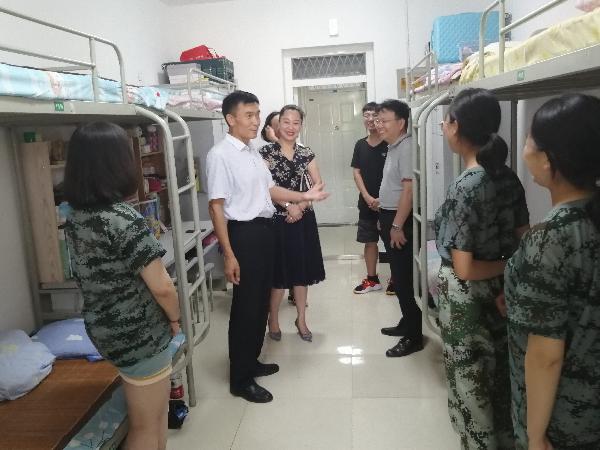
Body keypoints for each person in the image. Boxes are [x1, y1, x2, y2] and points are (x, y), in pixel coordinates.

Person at [63, 122, 180, 450]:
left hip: (104, 329)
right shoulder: (123, 218)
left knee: (155, 416)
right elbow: (162, 287)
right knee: (147, 426)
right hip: (139, 334)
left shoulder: (76, 217)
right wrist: (175, 319)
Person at [206, 91, 328, 403]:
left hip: (264, 230)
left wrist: (304, 197)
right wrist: (229, 254)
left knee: (260, 302)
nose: (256, 121)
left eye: (257, 114)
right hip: (243, 235)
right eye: (249, 115)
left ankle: (251, 362)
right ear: (230, 119)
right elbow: (216, 207)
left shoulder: (251, 152)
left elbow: (270, 189)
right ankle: (240, 379)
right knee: (246, 307)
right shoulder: (221, 155)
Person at [434, 88, 529, 449]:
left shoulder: (467, 186)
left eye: (446, 121)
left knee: (470, 384)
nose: (443, 126)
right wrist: (508, 269)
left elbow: (464, 268)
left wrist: (503, 265)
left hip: (467, 303)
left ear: (457, 126)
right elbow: (523, 238)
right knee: (502, 377)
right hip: (503, 293)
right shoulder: (508, 177)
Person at [505, 93, 600, 450]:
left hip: (566, 417)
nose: (525, 148)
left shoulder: (551, 239)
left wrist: (535, 435)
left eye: (530, 139)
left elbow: (546, 356)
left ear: (547, 161)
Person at [259, 105, 326, 343]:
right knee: (278, 274)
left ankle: (302, 319)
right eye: (286, 122)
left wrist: (301, 207)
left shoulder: (306, 153)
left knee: (301, 272)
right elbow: (264, 187)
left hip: (302, 220)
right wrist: (289, 206)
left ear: (301, 126)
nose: (290, 127)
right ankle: (273, 320)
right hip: (276, 220)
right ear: (278, 126)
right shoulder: (265, 153)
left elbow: (318, 185)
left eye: (296, 123)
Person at [375, 99, 423, 357]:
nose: (379, 125)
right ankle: (407, 322)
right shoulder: (394, 147)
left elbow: (409, 191)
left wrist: (396, 225)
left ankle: (414, 336)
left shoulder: (406, 148)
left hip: (399, 221)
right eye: (378, 120)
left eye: (384, 121)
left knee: (404, 279)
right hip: (390, 216)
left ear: (401, 122)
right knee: (399, 275)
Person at [350, 102, 392, 295]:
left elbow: (395, 176)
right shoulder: (360, 145)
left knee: (392, 242)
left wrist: (382, 199)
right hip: (366, 203)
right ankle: (372, 279)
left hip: (389, 203)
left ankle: (396, 278)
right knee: (370, 241)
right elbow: (356, 172)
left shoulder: (390, 144)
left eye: (374, 115)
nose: (370, 119)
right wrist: (367, 197)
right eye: (366, 115)